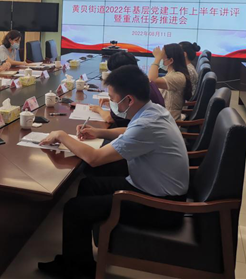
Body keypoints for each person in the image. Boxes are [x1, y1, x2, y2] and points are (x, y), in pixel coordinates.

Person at [37, 65, 189, 278]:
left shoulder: (147, 124)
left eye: (112, 98)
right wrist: (98, 132)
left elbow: (94, 158)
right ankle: (78, 260)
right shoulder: (153, 111)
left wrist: (62, 135)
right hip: (149, 187)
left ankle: (77, 271)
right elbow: (129, 131)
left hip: (160, 205)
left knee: (74, 209)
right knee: (88, 185)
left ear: (129, 100)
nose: (111, 103)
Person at [90, 52, 164, 127]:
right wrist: (114, 102)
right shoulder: (145, 83)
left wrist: (99, 110)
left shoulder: (132, 90)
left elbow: (111, 119)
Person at [148, 44, 192, 121]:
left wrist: (157, 59)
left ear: (171, 60)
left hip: (168, 120)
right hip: (162, 116)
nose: (160, 59)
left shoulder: (178, 77)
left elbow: (152, 81)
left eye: (162, 56)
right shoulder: (172, 74)